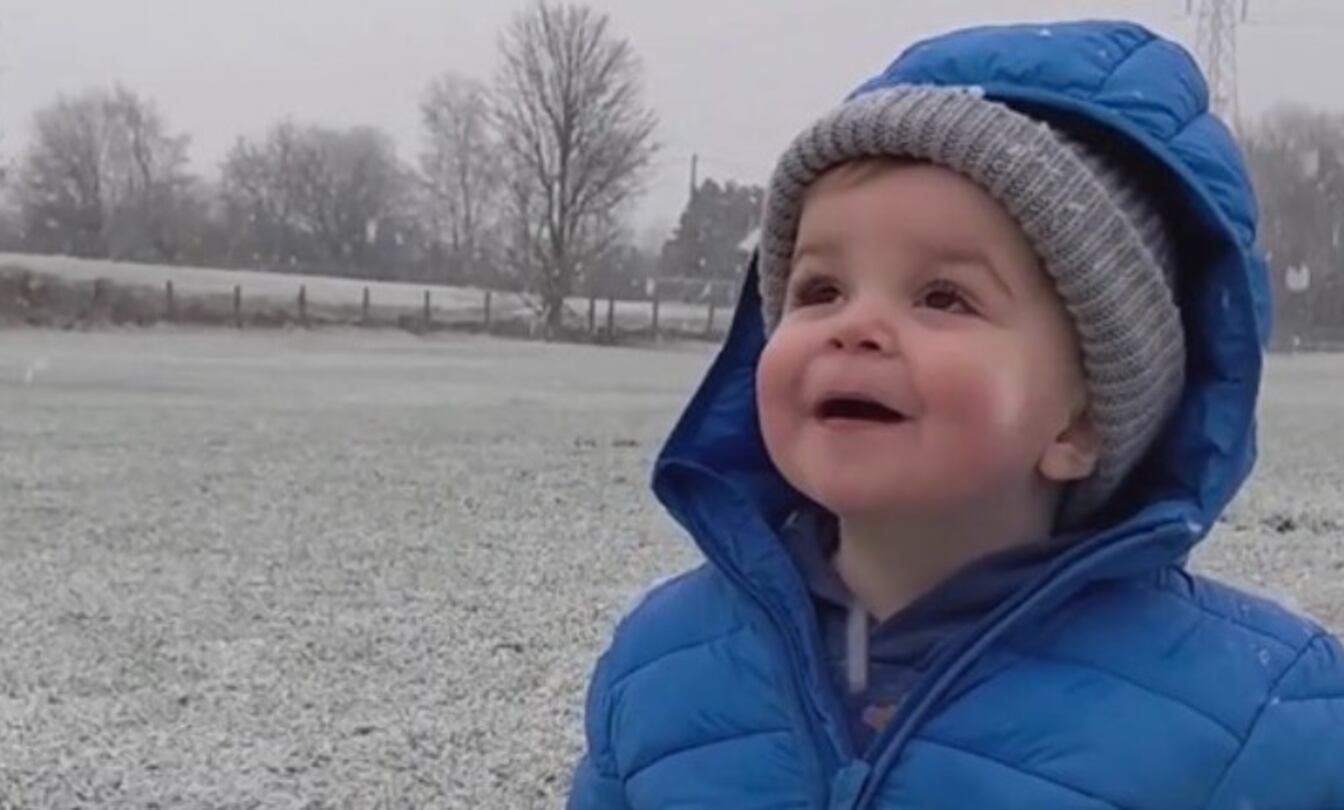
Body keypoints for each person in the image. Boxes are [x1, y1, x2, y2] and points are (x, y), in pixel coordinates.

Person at [565, 18, 1344, 810]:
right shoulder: (661, 665)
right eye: (819, 290)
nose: (853, 325)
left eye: (943, 296)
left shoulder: (1256, 726)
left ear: (1080, 424)